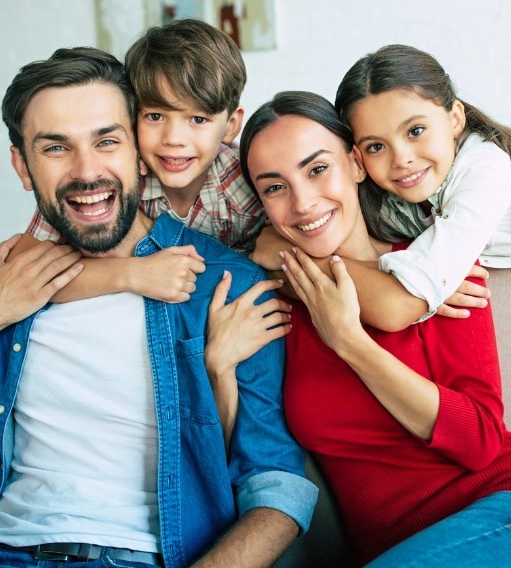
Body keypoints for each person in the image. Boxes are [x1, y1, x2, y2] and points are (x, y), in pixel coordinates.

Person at [0, 49, 318, 568]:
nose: (87, 171)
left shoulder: (228, 286)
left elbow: (276, 486)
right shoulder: (9, 283)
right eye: (55, 148)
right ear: (22, 166)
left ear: (139, 152)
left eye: (107, 141)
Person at [212, 90, 511, 566]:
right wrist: (218, 368)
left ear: (354, 163)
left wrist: (351, 342)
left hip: (495, 512)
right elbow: (240, 456)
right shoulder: (278, 301)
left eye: (317, 169)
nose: (303, 202)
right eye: (275, 187)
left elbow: (481, 442)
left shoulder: (433, 270)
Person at [13, 18, 266, 304]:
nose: (173, 138)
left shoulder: (244, 182)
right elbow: (23, 271)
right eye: (155, 116)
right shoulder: (113, 181)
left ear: (231, 126)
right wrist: (131, 273)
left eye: (197, 119)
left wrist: (272, 245)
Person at [334, 44, 511, 320]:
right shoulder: (389, 192)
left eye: (415, 131)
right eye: (376, 147)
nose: (401, 159)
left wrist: (427, 284)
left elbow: (403, 299)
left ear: (455, 119)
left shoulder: (486, 170)